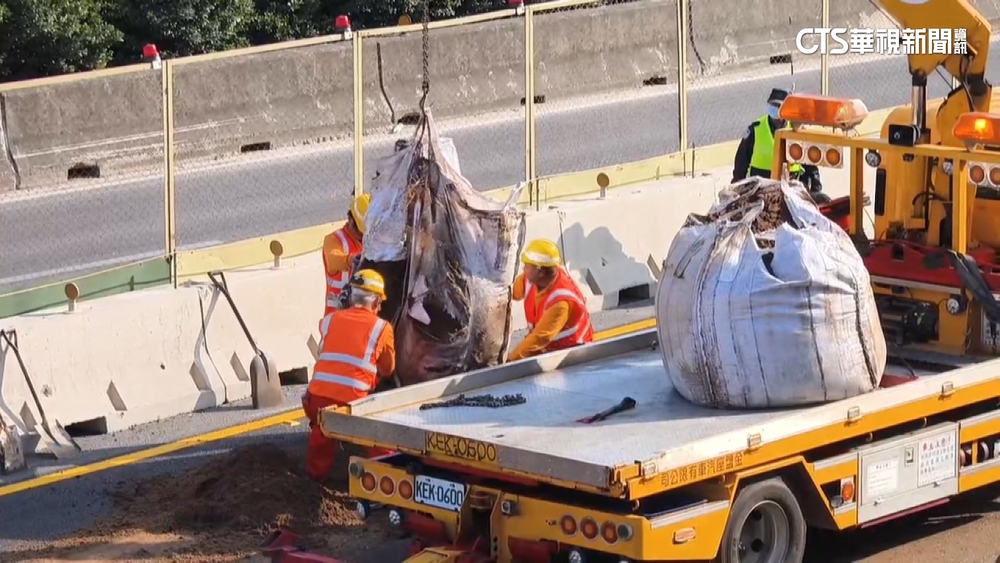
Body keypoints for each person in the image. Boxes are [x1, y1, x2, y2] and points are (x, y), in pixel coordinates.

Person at [301, 269, 396, 481]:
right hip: (354, 403)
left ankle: (314, 478)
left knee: (321, 431)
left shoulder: (329, 320)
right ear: (376, 302)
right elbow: (388, 369)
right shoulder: (382, 328)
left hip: (316, 400)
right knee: (374, 438)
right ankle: (388, 476)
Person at [731, 88, 829, 203]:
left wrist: (815, 189)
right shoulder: (756, 129)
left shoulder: (796, 130)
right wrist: (737, 187)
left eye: (778, 105)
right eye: (772, 104)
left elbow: (810, 165)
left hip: (791, 188)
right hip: (761, 190)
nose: (774, 109)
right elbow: (741, 162)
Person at [508, 239, 594, 361]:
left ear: (540, 271)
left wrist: (510, 361)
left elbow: (539, 338)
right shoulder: (530, 280)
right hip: (548, 350)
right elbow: (507, 293)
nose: (523, 269)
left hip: (571, 356)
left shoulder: (560, 302)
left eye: (527, 266)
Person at [322, 194, 371, 316]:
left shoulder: (372, 241)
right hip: (336, 318)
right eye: (361, 232)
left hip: (362, 317)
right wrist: (352, 260)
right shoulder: (334, 240)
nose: (364, 236)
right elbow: (333, 260)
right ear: (350, 220)